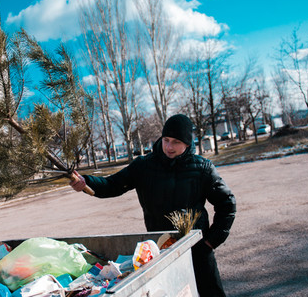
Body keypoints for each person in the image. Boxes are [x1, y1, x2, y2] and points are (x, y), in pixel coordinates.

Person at [70, 114, 236, 297]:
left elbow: (227, 204)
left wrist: (210, 242)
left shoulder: (202, 168)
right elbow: (112, 185)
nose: (169, 147)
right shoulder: (144, 166)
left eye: (176, 142)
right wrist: (86, 183)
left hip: (197, 251)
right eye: (166, 140)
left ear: (187, 144)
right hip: (160, 252)